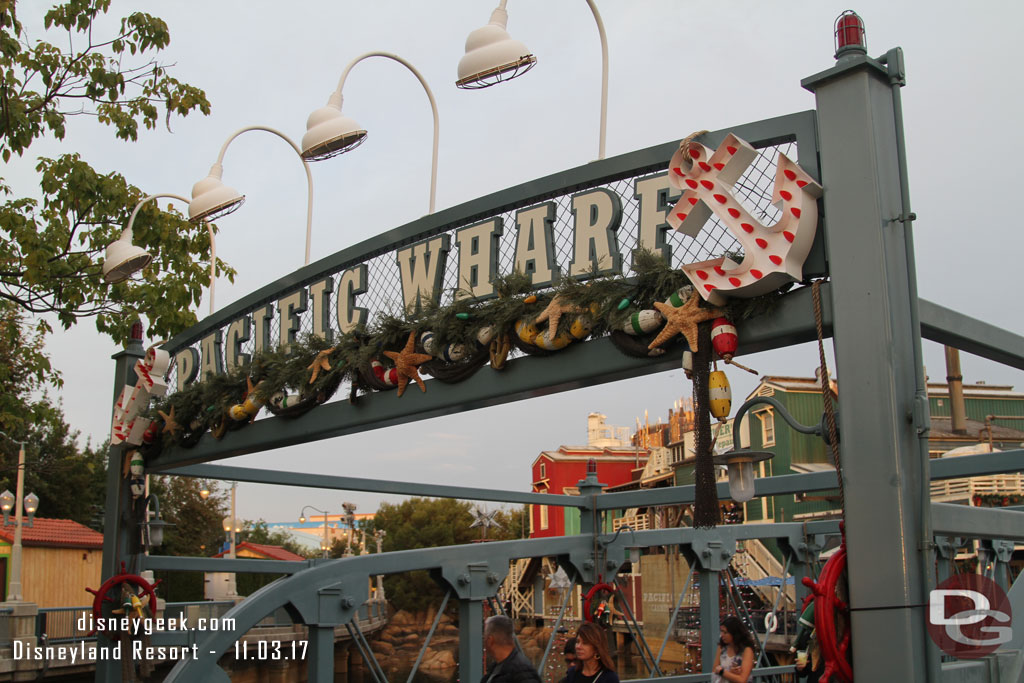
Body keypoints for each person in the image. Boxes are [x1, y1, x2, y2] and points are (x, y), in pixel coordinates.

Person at [481, 615, 541, 683]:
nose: (484, 641)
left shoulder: (522, 672)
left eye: (485, 637)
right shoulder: (496, 668)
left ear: (490, 640)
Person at [710, 616, 755, 683]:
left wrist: (723, 672)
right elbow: (714, 674)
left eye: (725, 632)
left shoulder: (746, 650)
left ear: (734, 633)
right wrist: (730, 673)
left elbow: (742, 680)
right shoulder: (721, 647)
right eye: (721, 632)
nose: (722, 635)